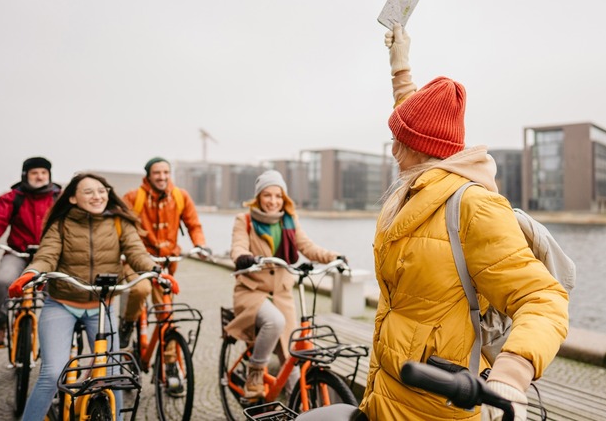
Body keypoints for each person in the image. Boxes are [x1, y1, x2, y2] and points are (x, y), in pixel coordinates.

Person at [358, 24, 570, 421]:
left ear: (419, 149)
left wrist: (512, 373)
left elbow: (544, 299)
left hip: (435, 407)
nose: (392, 150)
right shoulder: (417, 182)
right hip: (384, 392)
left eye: (398, 142)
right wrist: (399, 64)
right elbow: (411, 117)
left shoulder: (473, 206)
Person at [8, 173, 159, 421]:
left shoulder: (119, 222)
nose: (97, 196)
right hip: (62, 304)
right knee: (52, 373)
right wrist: (32, 273)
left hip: (102, 305)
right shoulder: (61, 223)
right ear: (74, 199)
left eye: (101, 191)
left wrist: (153, 270)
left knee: (110, 374)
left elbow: (136, 251)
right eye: (88, 192)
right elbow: (46, 255)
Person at [225, 170, 345, 399]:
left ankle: (296, 407)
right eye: (267, 195)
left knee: (293, 356)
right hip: (252, 291)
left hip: (282, 293)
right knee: (274, 321)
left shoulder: (289, 220)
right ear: (258, 196)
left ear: (284, 199)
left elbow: (308, 247)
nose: (273, 201)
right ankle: (255, 372)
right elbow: (238, 246)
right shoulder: (245, 220)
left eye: (278, 196)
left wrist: (333, 257)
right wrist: (243, 257)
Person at [119, 157, 209, 363]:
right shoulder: (134, 197)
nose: (162, 177)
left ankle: (170, 364)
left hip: (166, 264)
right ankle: (127, 324)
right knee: (141, 290)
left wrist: (200, 245)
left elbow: (193, 225)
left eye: (166, 173)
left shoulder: (180, 196)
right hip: (138, 260)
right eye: (157, 173)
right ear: (148, 176)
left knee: (166, 314)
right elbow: (123, 226)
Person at [0, 157, 60, 347]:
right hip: (17, 252)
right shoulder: (13, 197)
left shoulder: (58, 198)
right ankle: (0, 324)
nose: (39, 177)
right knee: (3, 281)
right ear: (25, 175)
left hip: (49, 255)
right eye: (34, 173)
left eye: (43, 173)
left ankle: (56, 332)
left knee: (57, 291)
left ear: (49, 175)